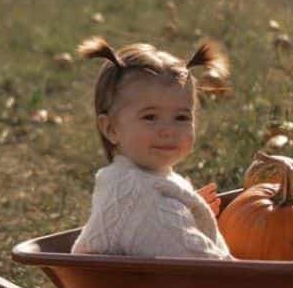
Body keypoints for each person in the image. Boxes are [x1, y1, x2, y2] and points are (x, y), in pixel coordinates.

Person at [72, 36, 233, 259]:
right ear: (110, 129)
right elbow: (196, 259)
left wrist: (187, 209)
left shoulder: (139, 180)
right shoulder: (138, 193)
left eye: (181, 117)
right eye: (150, 117)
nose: (168, 130)